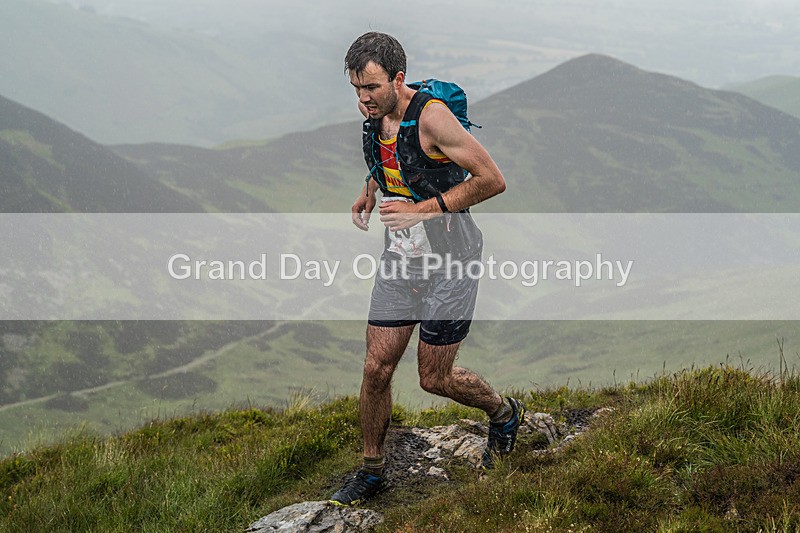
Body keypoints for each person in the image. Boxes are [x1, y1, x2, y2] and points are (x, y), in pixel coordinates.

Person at [330, 32, 525, 506]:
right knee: (376, 367)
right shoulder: (376, 116)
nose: (363, 99)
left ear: (398, 78)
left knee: (434, 379)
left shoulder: (434, 119)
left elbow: (492, 180)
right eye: (356, 88)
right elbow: (394, 159)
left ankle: (502, 413)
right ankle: (372, 470)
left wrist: (423, 210)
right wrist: (371, 190)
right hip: (402, 256)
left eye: (372, 87)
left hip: (452, 257)